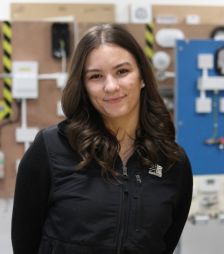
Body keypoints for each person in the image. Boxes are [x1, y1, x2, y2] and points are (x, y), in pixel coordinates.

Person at [11, 23, 193, 254]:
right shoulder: (51, 149)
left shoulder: (172, 163)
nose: (111, 86)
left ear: (142, 77)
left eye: (122, 71)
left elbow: (165, 244)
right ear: (84, 86)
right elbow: (24, 243)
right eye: (96, 76)